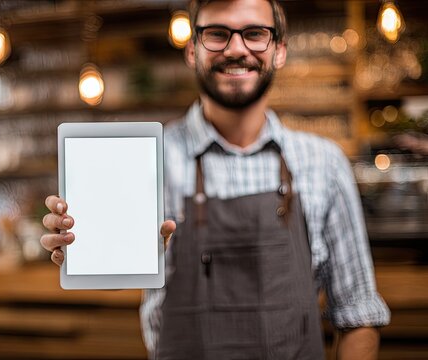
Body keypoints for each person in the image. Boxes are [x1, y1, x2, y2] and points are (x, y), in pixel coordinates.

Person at [41, 0, 390, 358]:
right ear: (192, 51)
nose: (236, 49)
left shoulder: (324, 164)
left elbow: (358, 314)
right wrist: (83, 245)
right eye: (217, 34)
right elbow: (114, 272)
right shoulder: (149, 159)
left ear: (279, 51)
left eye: (255, 33)